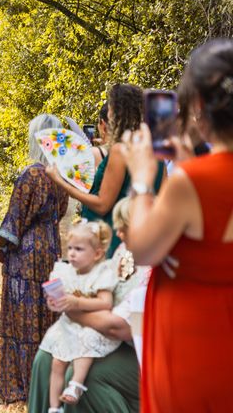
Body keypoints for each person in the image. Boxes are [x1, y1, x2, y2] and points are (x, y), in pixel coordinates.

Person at [121, 38, 233, 411]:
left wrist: (140, 179)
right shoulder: (193, 177)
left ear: (198, 106)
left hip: (196, 336)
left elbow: (143, 246)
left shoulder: (193, 182)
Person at [28, 204, 149, 413]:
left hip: (143, 353)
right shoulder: (124, 251)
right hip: (109, 336)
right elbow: (101, 285)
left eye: (125, 227)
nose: (119, 233)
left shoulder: (156, 267)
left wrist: (71, 307)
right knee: (45, 358)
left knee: (80, 375)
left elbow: (122, 328)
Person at [0, 114, 69, 406]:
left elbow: (13, 224)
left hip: (26, 256)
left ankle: (21, 387)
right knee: (46, 318)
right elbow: (59, 214)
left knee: (21, 323)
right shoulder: (59, 175)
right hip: (51, 249)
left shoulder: (31, 175)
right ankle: (47, 382)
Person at [46, 84, 164, 258]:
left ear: (117, 112)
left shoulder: (120, 150)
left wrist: (61, 182)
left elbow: (102, 205)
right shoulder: (156, 150)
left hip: (113, 240)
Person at [39, 221, 117, 412]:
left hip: (91, 325)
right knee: (57, 362)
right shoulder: (66, 272)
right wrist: (56, 301)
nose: (72, 253)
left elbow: (106, 303)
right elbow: (61, 298)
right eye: (71, 248)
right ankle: (54, 407)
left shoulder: (102, 272)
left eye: (79, 249)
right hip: (69, 324)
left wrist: (78, 303)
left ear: (97, 254)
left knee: (83, 349)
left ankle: (76, 384)